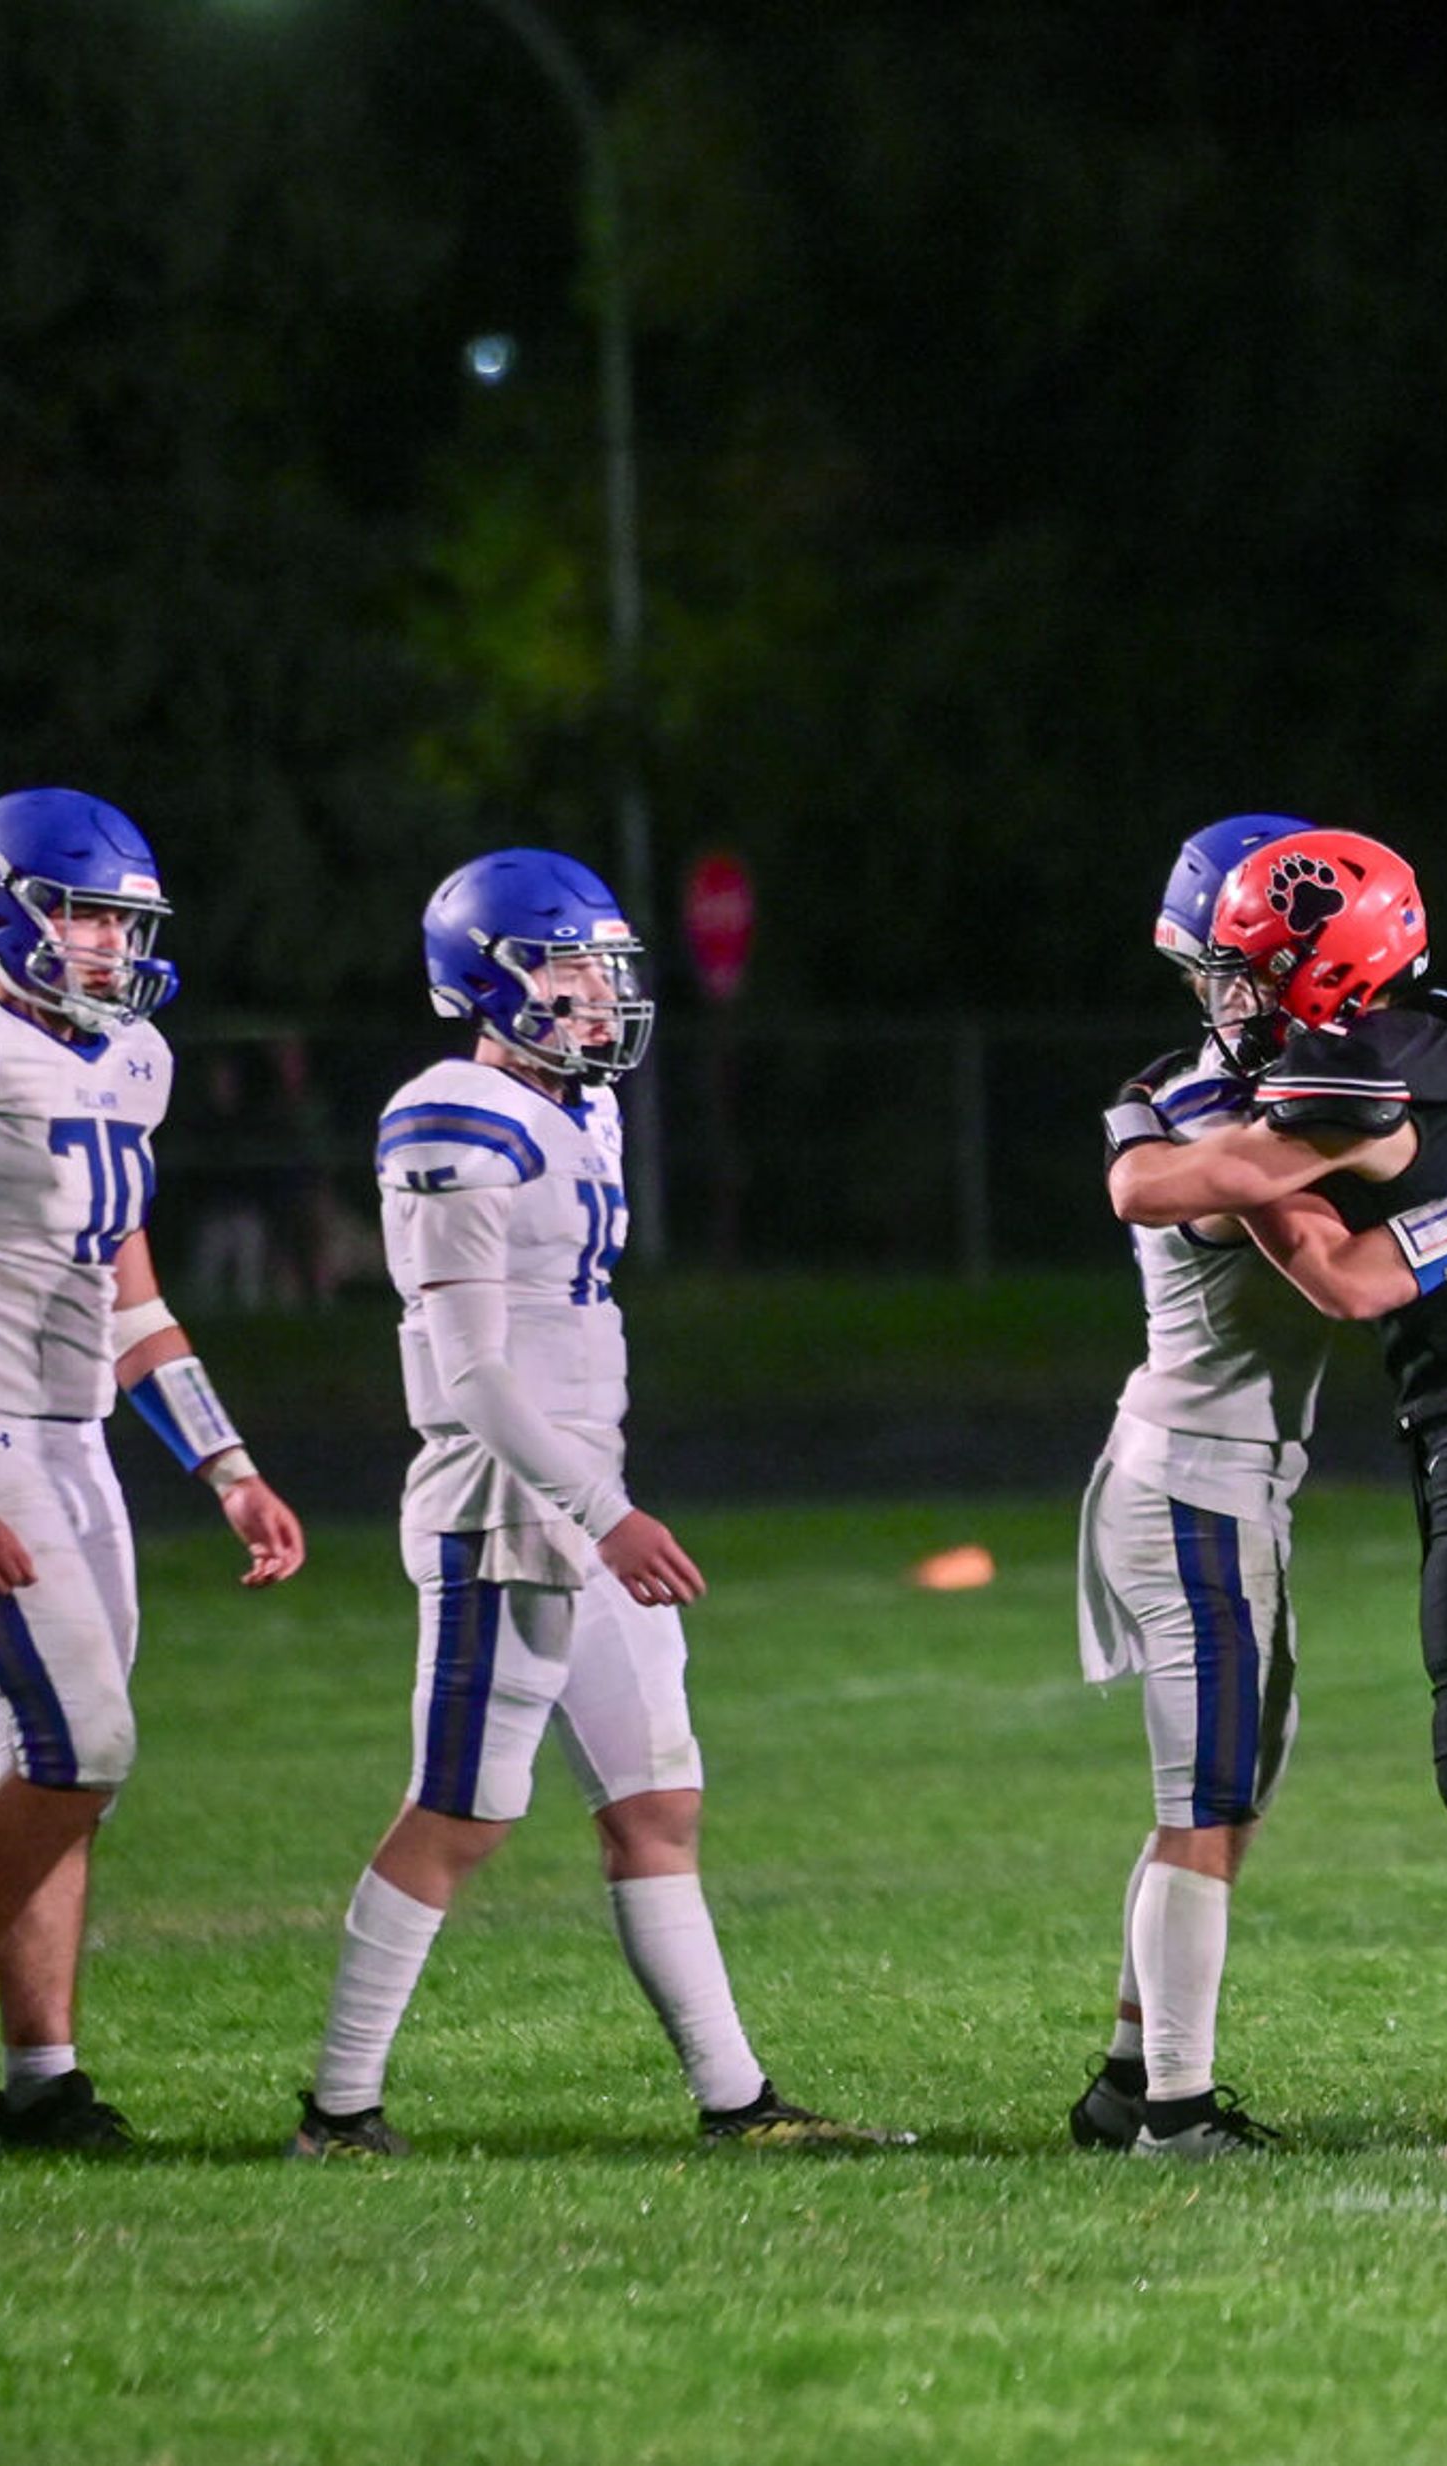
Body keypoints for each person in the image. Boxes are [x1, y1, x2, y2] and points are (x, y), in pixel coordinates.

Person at [288, 849, 901, 2158]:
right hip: (503, 1509)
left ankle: (738, 2101)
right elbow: (472, 1379)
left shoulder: (585, 1108)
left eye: (602, 968)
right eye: (564, 967)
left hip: (583, 1499)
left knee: (655, 1803)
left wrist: (605, 1505)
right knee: (461, 1808)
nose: (594, 995)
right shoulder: (451, 1115)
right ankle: (339, 2109)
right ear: (484, 979)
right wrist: (603, 1512)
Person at [1103, 827, 1447, 2158]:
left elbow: (1311, 1261)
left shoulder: (1343, 1066)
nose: (1236, 999)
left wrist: (1152, 1142)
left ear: (1324, 965)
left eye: (1252, 970)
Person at [0, 788, 310, 2164]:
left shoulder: (131, 1061)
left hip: (75, 1440)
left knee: (72, 1772)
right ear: (2, 908)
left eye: (119, 920)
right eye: (83, 914)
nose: (107, 944)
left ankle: (46, 2080)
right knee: (77, 1745)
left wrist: (225, 1460)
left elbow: (132, 1302)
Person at [1062, 816, 1338, 2160]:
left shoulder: (1305, 1086)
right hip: (1194, 1487)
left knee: (1230, 1787)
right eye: (1228, 969)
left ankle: (1130, 2077)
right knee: (1206, 1803)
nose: (1240, 995)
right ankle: (1175, 2106)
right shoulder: (1211, 1101)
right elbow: (1253, 1202)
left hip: (1218, 1483)